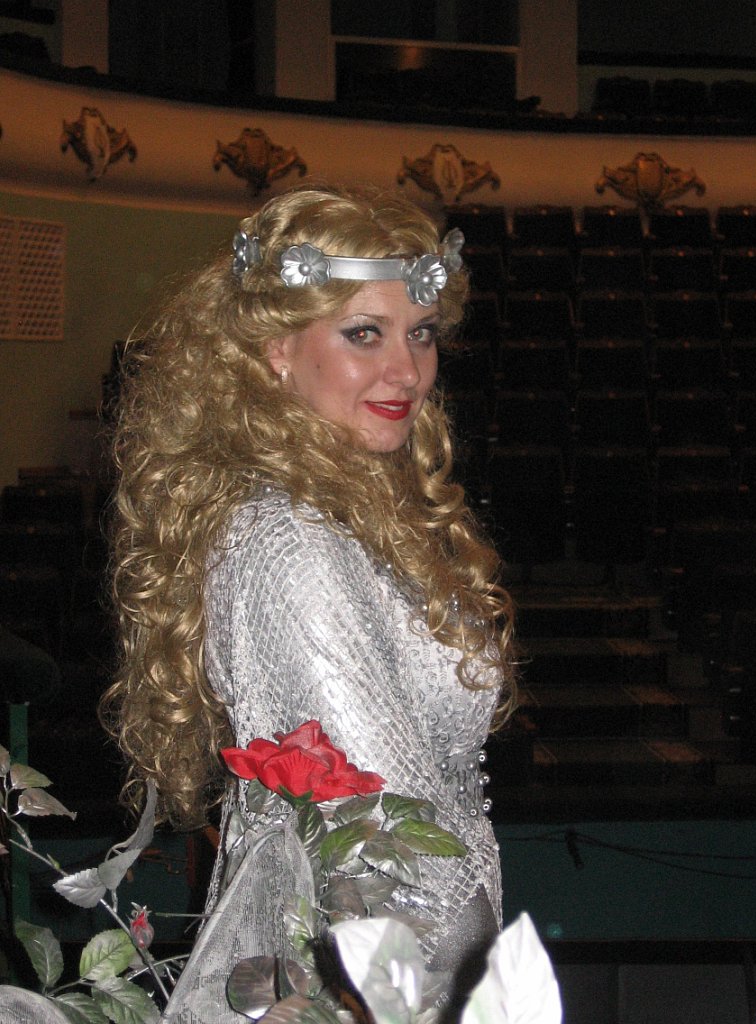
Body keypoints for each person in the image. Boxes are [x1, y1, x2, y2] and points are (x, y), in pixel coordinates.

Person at [102, 183, 516, 1020]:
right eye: (365, 334)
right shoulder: (290, 542)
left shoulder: (353, 510)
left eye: (421, 333)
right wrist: (474, 998)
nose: (408, 371)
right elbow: (388, 858)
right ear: (276, 351)